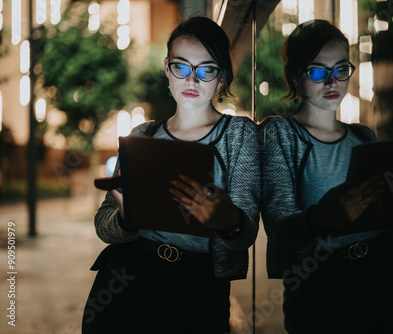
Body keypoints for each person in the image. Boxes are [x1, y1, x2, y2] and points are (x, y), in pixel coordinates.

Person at [82, 16, 260, 333]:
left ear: (222, 76)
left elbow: (246, 235)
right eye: (182, 66)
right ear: (167, 68)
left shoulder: (239, 134)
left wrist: (228, 219)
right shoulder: (144, 135)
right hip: (128, 279)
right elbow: (103, 224)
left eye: (206, 69)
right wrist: (126, 219)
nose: (192, 80)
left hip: (198, 289)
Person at [260, 20, 393, 333]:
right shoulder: (281, 134)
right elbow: (279, 228)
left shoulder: (363, 136)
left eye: (341, 69)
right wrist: (321, 219)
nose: (332, 81)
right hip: (322, 290)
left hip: (389, 279)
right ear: (295, 76)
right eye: (317, 71)